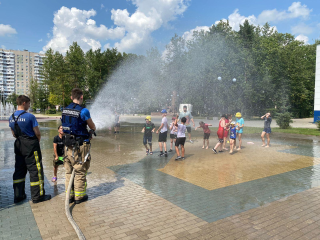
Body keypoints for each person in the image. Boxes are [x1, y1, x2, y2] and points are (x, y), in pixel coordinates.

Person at [9, 95, 51, 203]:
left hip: (18, 145)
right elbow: (37, 133)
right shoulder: (30, 116)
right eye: (28, 103)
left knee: (19, 170)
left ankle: (19, 195)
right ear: (24, 103)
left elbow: (13, 133)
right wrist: (36, 142)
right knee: (35, 170)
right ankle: (38, 196)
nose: (29, 105)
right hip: (31, 145)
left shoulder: (11, 117)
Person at [62, 88, 96, 204]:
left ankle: (69, 196)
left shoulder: (65, 110)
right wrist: (92, 130)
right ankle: (79, 197)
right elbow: (92, 126)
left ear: (71, 97)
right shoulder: (84, 111)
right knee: (80, 170)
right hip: (80, 145)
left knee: (68, 170)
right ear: (81, 97)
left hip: (67, 145)